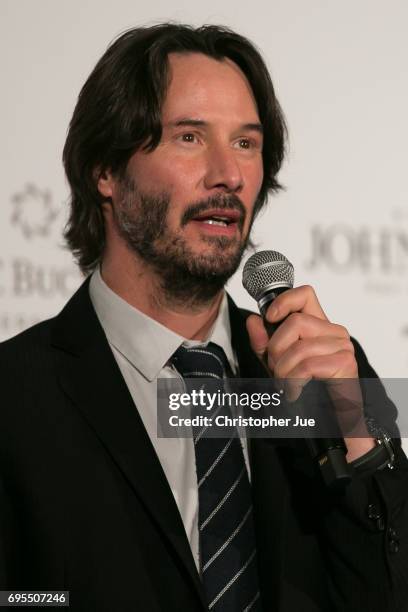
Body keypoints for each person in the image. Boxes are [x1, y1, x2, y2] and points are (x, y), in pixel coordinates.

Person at [0, 23, 407, 612]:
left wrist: (358, 435)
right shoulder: (16, 397)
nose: (229, 174)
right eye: (190, 137)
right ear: (106, 171)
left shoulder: (322, 373)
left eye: (246, 143)